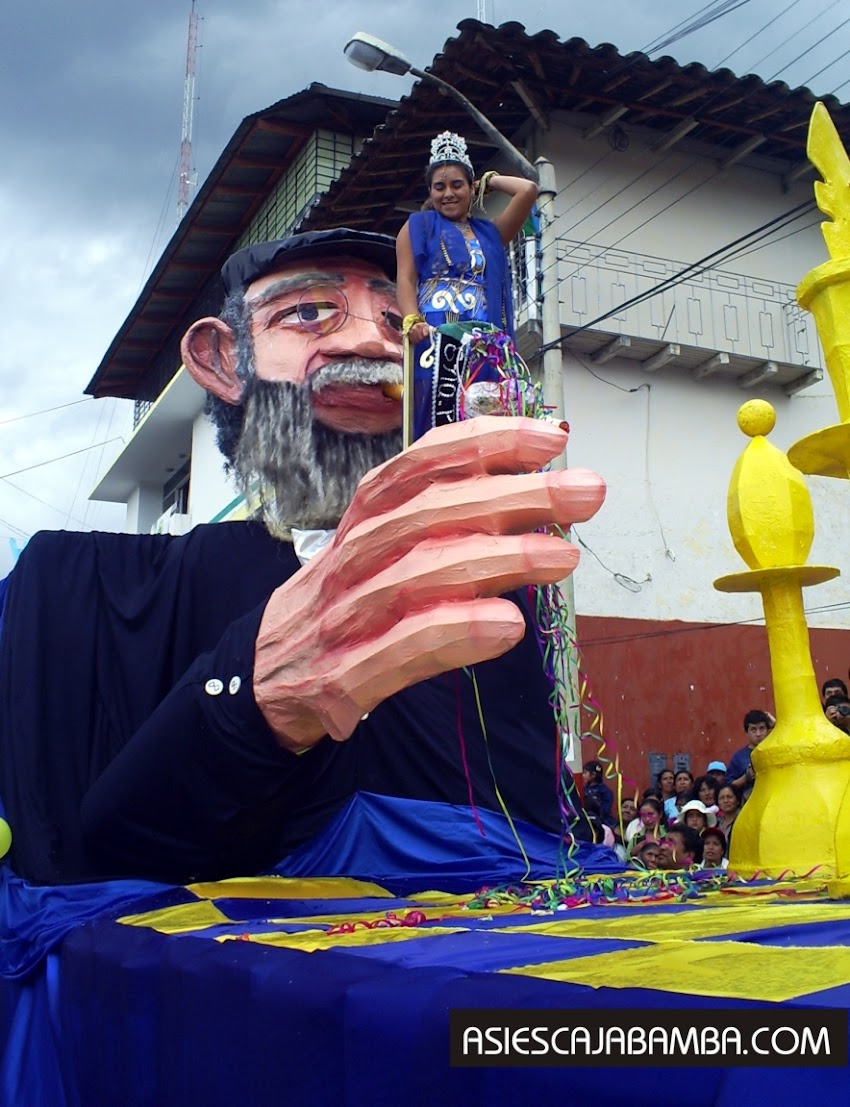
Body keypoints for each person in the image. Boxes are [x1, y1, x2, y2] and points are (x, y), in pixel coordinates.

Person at [0, 227, 606, 885]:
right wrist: (253, 694)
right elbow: (99, 847)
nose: (372, 344)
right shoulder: (87, 590)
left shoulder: (490, 582)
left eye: (398, 321)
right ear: (222, 358)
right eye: (310, 312)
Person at [395, 130, 538, 351]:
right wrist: (412, 320)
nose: (448, 193)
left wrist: (487, 181)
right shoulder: (417, 226)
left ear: (472, 188)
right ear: (431, 192)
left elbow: (528, 190)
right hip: (433, 335)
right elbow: (405, 278)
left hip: (483, 338)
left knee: (484, 387)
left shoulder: (490, 233)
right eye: (439, 187)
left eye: (457, 185)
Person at [725, 709, 772, 792]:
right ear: (746, 733)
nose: (758, 734)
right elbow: (728, 787)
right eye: (753, 730)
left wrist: (775, 725)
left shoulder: (775, 751)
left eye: (762, 728)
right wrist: (746, 777)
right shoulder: (738, 757)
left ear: (768, 730)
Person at [581, 760, 614, 826]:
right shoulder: (584, 790)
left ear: (593, 775)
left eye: (585, 773)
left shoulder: (605, 791)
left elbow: (605, 809)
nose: (583, 775)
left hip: (602, 821)